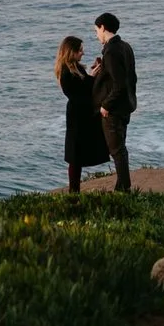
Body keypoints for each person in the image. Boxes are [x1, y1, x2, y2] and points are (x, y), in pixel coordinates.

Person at [57, 35, 109, 193]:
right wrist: (92, 77)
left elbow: (85, 86)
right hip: (77, 116)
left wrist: (91, 76)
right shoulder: (66, 71)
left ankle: (75, 190)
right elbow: (77, 92)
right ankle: (74, 190)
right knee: (75, 155)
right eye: (80, 50)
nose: (82, 53)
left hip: (83, 113)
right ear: (70, 52)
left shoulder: (76, 68)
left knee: (79, 154)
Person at [92, 11, 137, 192]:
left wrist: (105, 105)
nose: (96, 35)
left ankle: (123, 188)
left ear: (103, 27)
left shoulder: (111, 51)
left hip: (114, 110)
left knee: (117, 151)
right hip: (126, 105)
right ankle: (122, 186)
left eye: (96, 30)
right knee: (120, 149)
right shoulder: (125, 47)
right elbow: (130, 78)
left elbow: (118, 84)